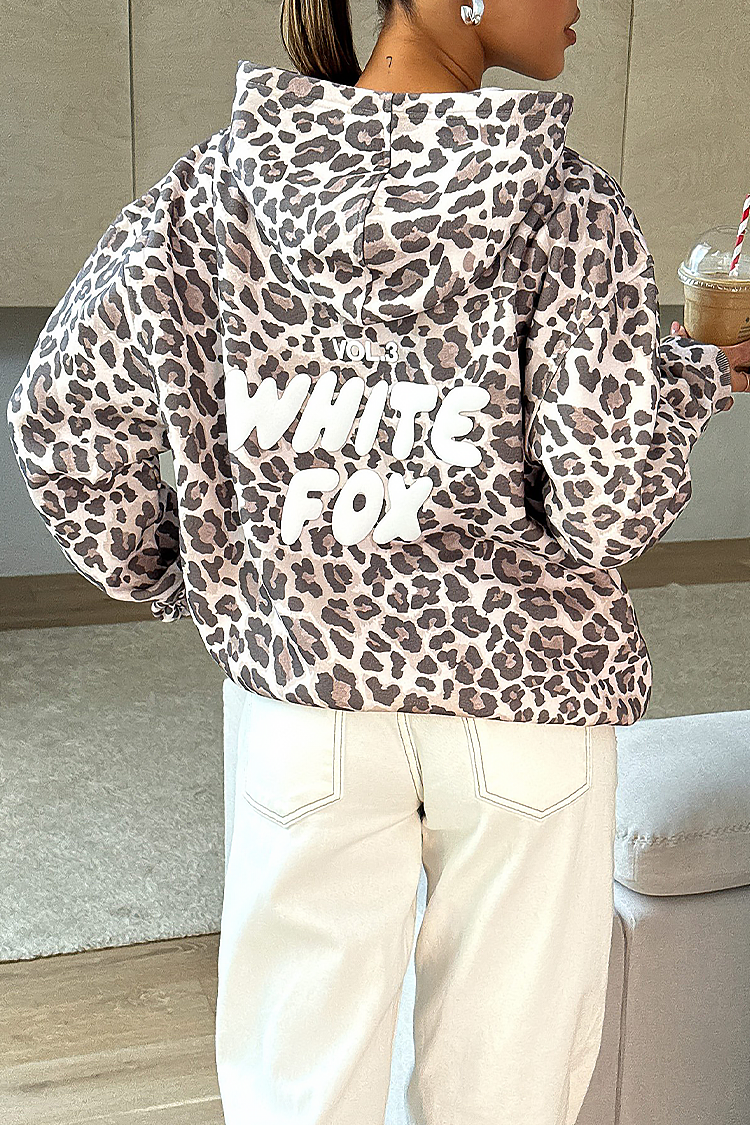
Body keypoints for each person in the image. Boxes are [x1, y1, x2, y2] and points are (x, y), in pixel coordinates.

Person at [6, 0, 750, 1118]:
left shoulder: (208, 191)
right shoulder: (568, 205)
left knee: (296, 1086)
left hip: (305, 697)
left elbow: (62, 419)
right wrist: (679, 387)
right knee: (503, 1089)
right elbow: (608, 510)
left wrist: (200, 580)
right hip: (526, 699)